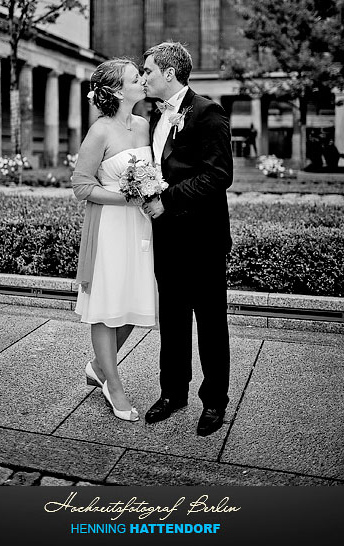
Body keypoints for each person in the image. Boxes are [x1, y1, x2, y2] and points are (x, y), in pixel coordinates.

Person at [142, 41, 233, 437]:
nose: (143, 77)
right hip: (166, 237)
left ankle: (214, 401)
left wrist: (166, 200)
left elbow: (219, 176)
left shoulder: (207, 112)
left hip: (203, 237)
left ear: (168, 72)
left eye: (147, 71)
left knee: (210, 321)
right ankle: (172, 392)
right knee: (172, 318)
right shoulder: (154, 116)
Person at [73, 59, 157, 423]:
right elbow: (81, 185)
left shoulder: (144, 124)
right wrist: (127, 197)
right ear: (119, 91)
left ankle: (97, 365)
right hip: (109, 227)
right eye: (136, 78)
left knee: (135, 304)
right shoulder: (100, 131)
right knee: (106, 306)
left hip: (140, 228)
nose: (143, 80)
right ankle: (113, 385)